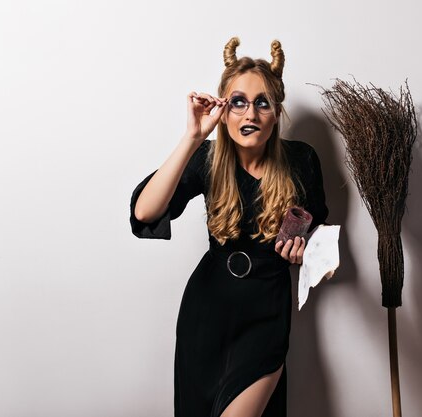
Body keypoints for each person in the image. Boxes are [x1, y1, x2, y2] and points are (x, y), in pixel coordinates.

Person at [129, 37, 328, 417]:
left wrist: (303, 249)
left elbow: (315, 227)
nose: (249, 113)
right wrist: (192, 137)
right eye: (238, 102)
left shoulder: (302, 160)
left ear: (276, 112)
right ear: (223, 108)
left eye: (262, 103)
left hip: (267, 311)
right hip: (207, 309)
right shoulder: (207, 157)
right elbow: (144, 212)